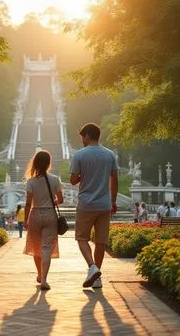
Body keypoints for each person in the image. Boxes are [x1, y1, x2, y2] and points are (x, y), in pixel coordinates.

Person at [70, 123, 118, 289]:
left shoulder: (80, 155)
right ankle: (96, 278)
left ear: (88, 136)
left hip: (86, 204)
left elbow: (73, 180)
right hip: (104, 204)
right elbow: (115, 180)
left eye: (83, 136)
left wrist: (84, 175)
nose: (82, 140)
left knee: (81, 238)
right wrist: (113, 201)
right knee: (100, 241)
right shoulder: (110, 155)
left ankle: (92, 266)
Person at [23, 150, 63, 291]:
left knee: (36, 247)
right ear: (48, 164)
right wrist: (52, 203)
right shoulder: (55, 180)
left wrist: (25, 220)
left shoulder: (31, 182)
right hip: (50, 215)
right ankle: (44, 279)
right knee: (46, 248)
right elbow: (61, 199)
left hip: (35, 215)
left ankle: (39, 274)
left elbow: (28, 204)